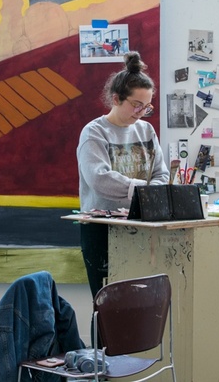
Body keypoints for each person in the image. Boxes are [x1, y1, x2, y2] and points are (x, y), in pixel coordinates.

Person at [76, 51, 169, 298]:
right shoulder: (94, 132)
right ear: (116, 99)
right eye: (136, 105)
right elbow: (99, 179)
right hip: (102, 231)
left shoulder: (146, 130)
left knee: (143, 304)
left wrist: (150, 192)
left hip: (142, 227)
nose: (141, 112)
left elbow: (161, 173)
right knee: (109, 307)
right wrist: (146, 192)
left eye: (146, 106)